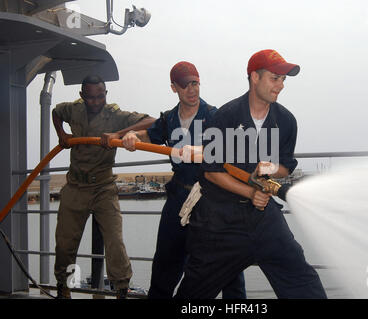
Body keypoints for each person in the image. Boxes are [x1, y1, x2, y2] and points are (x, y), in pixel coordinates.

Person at [174, 50, 327, 299]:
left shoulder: (286, 121)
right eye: (274, 78)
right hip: (219, 220)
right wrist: (250, 191)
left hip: (263, 218)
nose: (280, 86)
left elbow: (286, 166)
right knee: (193, 293)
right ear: (255, 77)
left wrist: (272, 169)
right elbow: (211, 172)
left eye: (283, 80)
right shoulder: (225, 116)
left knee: (303, 282)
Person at [121, 61, 246, 299]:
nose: (192, 90)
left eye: (196, 83)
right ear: (174, 88)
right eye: (186, 85)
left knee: (228, 264)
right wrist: (131, 135)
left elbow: (231, 146)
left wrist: (199, 149)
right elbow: (149, 134)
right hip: (178, 198)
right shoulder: (169, 120)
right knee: (165, 262)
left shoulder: (215, 116)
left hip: (212, 198)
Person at [52, 75, 155, 299]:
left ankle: (121, 289)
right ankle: (64, 287)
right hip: (75, 186)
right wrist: (62, 134)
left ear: (106, 94)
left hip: (104, 188)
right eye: (91, 98)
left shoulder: (115, 115)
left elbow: (152, 121)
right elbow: (56, 112)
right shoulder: (73, 109)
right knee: (65, 243)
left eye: (101, 96)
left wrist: (119, 134)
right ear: (82, 96)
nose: (97, 102)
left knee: (115, 241)